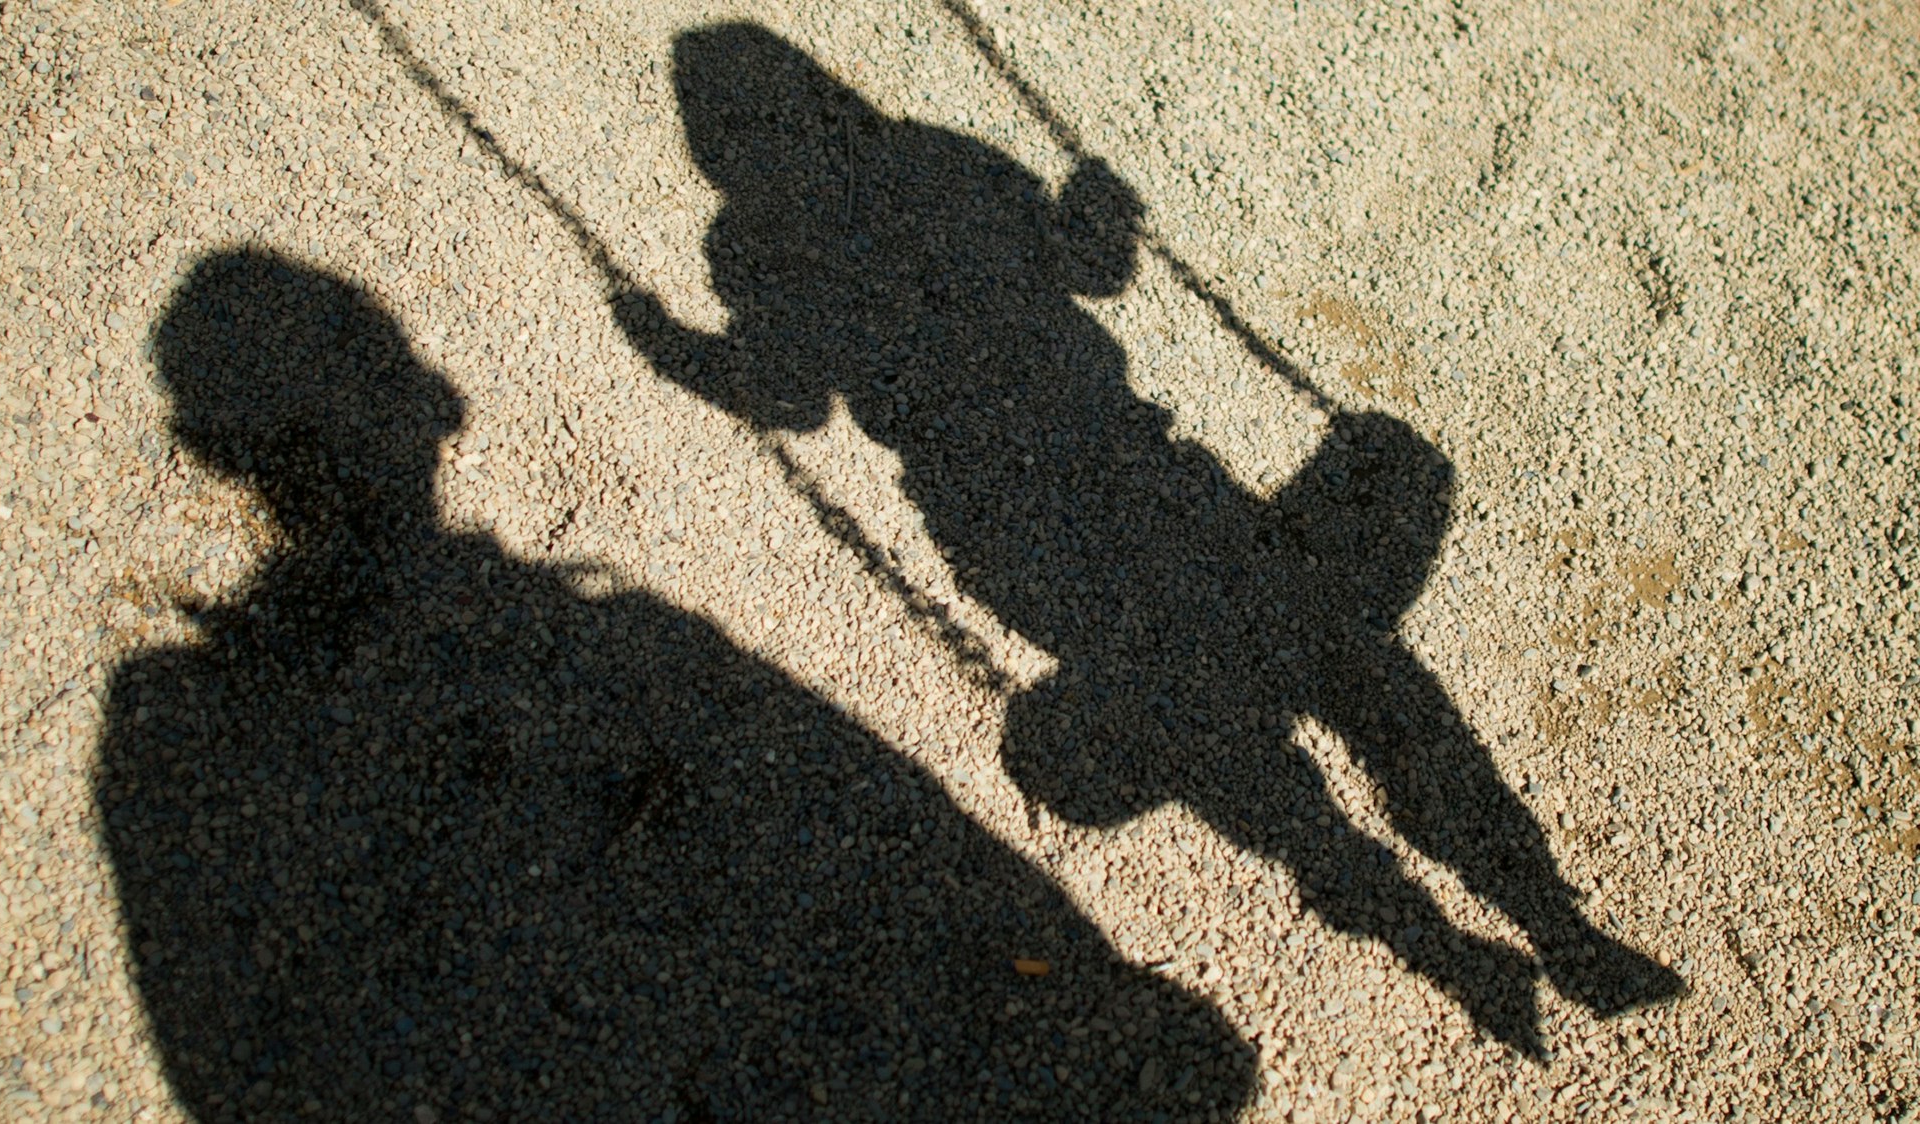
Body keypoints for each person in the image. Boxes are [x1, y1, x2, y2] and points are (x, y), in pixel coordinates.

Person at [610, 23, 1682, 1057]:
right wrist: (1098, 213)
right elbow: (1095, 270)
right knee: (1352, 670)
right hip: (1151, 478)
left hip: (1017, 530)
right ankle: (1553, 925)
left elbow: (793, 400)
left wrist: (678, 351)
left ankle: (1449, 940)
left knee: (1234, 736)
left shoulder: (753, 242)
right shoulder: (944, 159)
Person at [97, 249, 1253, 1121]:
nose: (431, 394)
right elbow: (883, 796)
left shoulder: (161, 737)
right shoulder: (169, 730)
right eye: (406, 375)